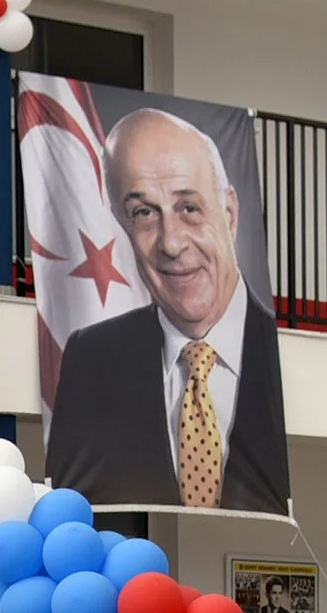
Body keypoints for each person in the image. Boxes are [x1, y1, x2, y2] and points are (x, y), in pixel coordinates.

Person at [45, 107, 290, 515]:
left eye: (189, 208)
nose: (171, 243)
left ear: (229, 214)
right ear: (121, 225)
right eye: (143, 213)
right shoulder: (90, 360)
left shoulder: (274, 352)